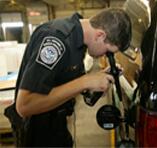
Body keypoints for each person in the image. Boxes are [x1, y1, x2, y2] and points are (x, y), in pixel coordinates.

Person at [4, 7, 132, 147]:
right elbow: (24, 106)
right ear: (100, 35)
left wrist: (95, 80)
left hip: (57, 126)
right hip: (36, 135)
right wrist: (84, 82)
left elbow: (65, 84)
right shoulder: (55, 40)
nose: (105, 56)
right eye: (108, 51)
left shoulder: (79, 41)